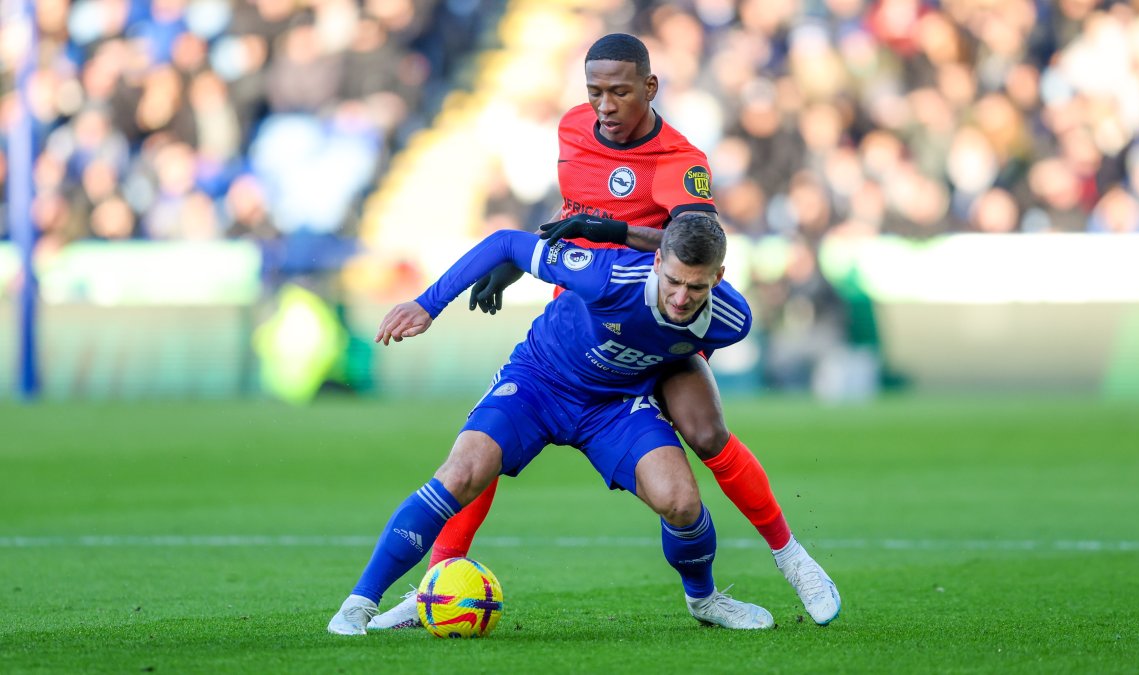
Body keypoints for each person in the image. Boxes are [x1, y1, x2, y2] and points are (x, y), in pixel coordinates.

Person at [369, 33, 841, 630]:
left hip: (658, 316)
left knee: (705, 429)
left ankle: (791, 558)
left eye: (620, 92)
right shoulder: (572, 129)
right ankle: (435, 586)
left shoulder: (680, 162)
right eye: (595, 92)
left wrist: (617, 232)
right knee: (483, 447)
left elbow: (692, 248)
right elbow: (567, 228)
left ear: (650, 87)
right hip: (583, 319)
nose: (605, 106)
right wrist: (512, 266)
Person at [329, 215, 777, 634]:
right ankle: (359, 604)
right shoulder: (604, 275)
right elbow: (506, 242)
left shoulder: (732, 320)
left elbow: (683, 352)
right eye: (673, 281)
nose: (681, 297)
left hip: (616, 404)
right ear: (657, 261)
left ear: (717, 279)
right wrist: (428, 305)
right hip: (539, 382)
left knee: (680, 501)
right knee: (462, 473)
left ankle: (705, 600)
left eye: (695, 288)